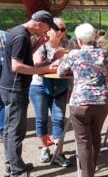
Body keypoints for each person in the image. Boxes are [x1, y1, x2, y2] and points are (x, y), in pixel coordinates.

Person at [0, 10, 59, 177]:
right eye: (48, 27)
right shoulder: (21, 36)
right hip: (14, 88)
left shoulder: (20, 32)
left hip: (9, 86)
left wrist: (38, 43)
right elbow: (17, 66)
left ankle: (12, 165)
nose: (48, 31)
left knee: (11, 130)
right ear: (39, 23)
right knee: (15, 132)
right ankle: (16, 171)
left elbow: (22, 56)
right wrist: (44, 69)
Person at [58, 23, 108, 177]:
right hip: (101, 101)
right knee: (96, 138)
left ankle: (86, 175)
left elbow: (61, 72)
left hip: (80, 103)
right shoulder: (103, 53)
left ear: (79, 40)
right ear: (94, 37)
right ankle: (91, 173)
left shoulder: (73, 54)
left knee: (83, 142)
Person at [29, 18, 71, 167]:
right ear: (49, 29)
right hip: (39, 87)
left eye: (63, 29)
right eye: (56, 28)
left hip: (60, 86)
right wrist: (53, 59)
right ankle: (45, 148)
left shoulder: (68, 44)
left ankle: (58, 154)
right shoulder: (42, 44)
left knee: (59, 120)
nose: (60, 32)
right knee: (41, 120)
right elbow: (37, 66)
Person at [0, 30, 8, 143]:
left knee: (2, 101)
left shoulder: (4, 34)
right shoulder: (4, 34)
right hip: (3, 68)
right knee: (2, 101)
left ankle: (2, 130)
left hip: (3, 68)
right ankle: (2, 130)